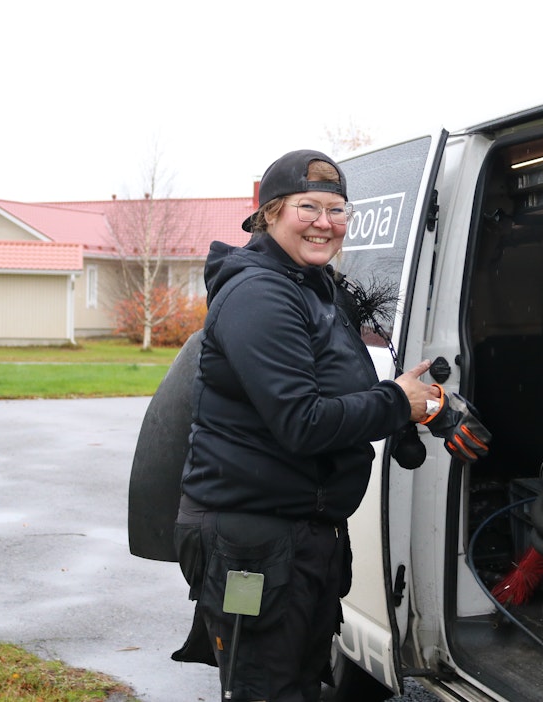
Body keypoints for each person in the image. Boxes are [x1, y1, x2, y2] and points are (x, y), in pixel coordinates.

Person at [172, 149, 440, 702]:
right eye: (308, 207)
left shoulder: (311, 288)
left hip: (300, 536)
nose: (325, 223)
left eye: (337, 210)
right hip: (253, 546)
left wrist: (414, 401)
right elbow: (301, 422)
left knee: (296, 685)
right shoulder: (259, 294)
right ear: (269, 213)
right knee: (265, 690)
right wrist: (396, 403)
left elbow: (336, 391)